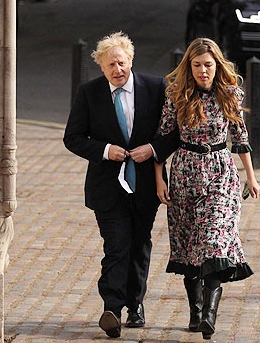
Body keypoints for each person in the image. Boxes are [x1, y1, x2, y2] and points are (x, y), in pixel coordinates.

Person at [64, 31, 180, 338]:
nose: (118, 70)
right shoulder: (89, 93)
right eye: (111, 65)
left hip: (145, 185)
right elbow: (72, 138)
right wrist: (104, 150)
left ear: (131, 61)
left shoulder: (155, 88)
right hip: (107, 186)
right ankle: (111, 309)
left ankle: (135, 304)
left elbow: (174, 131)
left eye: (122, 62)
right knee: (116, 246)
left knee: (139, 245)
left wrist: (152, 149)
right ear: (101, 67)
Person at [152, 37, 260, 340]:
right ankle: (195, 311)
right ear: (190, 66)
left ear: (217, 66)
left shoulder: (230, 94)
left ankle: (210, 315)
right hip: (185, 171)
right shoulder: (176, 95)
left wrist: (251, 177)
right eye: (197, 65)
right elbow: (162, 137)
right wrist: (159, 178)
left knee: (214, 241)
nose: (203, 71)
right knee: (189, 248)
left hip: (220, 172)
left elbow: (240, 137)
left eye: (208, 65)